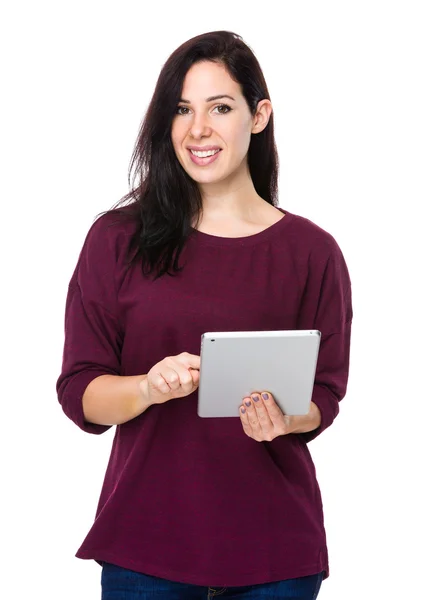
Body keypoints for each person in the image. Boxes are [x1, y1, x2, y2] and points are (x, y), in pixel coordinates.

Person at [56, 30, 353, 600]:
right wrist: (147, 386)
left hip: (277, 551)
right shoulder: (117, 240)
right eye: (182, 110)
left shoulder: (313, 252)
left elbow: (327, 394)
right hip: (145, 545)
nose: (198, 129)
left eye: (220, 107)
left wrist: (286, 420)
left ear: (258, 115)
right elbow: (80, 392)